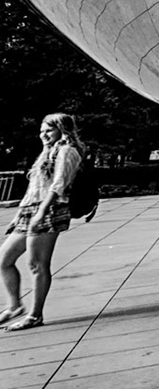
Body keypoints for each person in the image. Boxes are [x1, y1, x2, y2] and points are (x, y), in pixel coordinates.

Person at [0, 114, 88, 330]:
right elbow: (35, 188)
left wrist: (41, 213)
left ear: (63, 130)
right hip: (30, 210)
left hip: (49, 210)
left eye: (49, 130)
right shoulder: (48, 152)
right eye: (42, 131)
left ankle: (35, 315)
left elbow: (58, 186)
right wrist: (20, 216)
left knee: (37, 264)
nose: (44, 135)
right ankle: (14, 306)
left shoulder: (67, 151)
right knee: (4, 260)